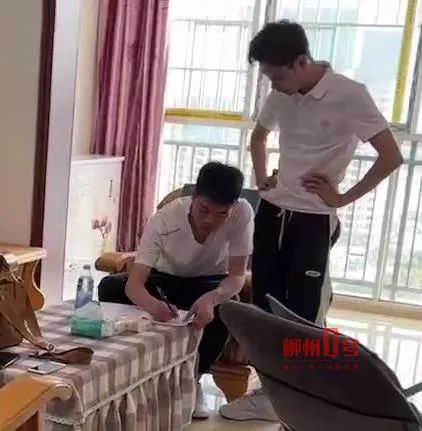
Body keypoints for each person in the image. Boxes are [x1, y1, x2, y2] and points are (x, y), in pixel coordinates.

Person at [219, 20, 403, 422]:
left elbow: (392, 156)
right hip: (273, 212)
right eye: (268, 77)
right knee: (266, 309)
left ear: (301, 61)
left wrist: (342, 198)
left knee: (303, 317)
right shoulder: (281, 93)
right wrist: (262, 176)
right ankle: (267, 393)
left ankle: (303, 399)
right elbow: (258, 136)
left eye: (278, 77)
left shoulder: (350, 95)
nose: (274, 86)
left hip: (313, 220)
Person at [98, 162, 254, 420]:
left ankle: (194, 377)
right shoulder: (165, 218)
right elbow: (134, 285)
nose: (209, 221)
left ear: (233, 207)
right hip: (164, 282)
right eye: (204, 210)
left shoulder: (242, 213)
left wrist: (211, 299)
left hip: (209, 283)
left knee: (229, 306)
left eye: (221, 214)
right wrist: (153, 306)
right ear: (194, 198)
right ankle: (130, 372)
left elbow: (237, 275)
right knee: (110, 286)